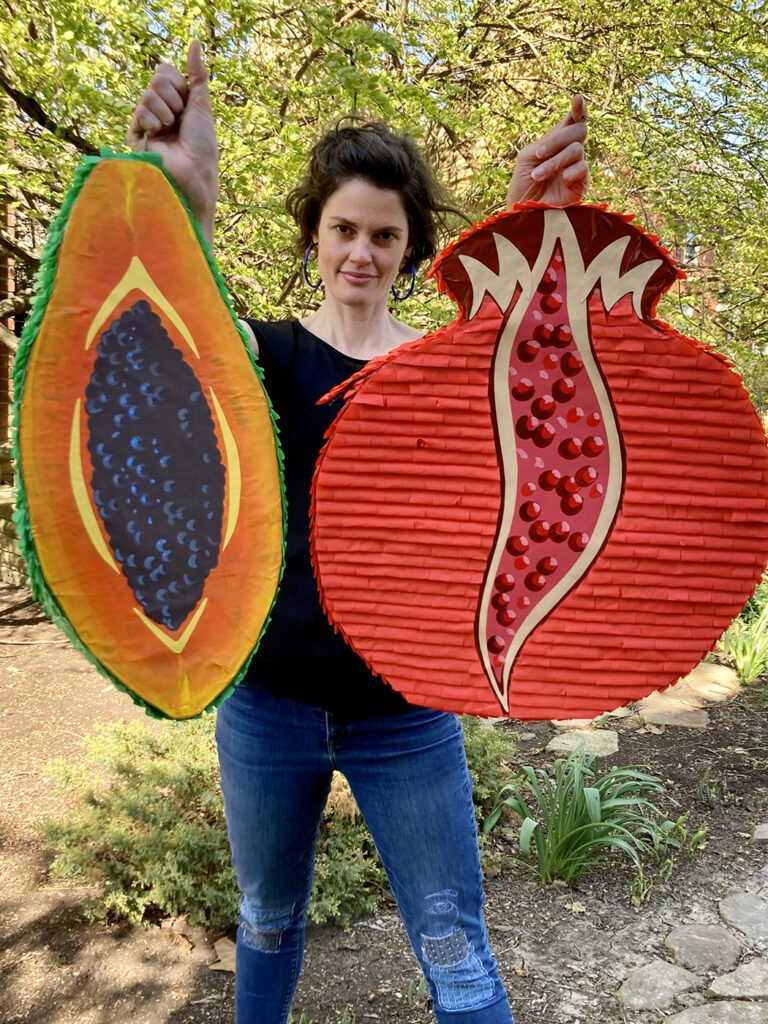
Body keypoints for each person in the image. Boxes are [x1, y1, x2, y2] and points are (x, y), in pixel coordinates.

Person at [128, 40, 588, 1024]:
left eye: (384, 235)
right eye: (343, 228)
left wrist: (525, 224)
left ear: (410, 250)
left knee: (456, 952)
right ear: (314, 234)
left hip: (406, 717)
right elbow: (177, 326)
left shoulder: (439, 368)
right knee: (264, 919)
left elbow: (519, 370)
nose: (360, 253)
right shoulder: (271, 354)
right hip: (268, 705)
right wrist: (187, 198)